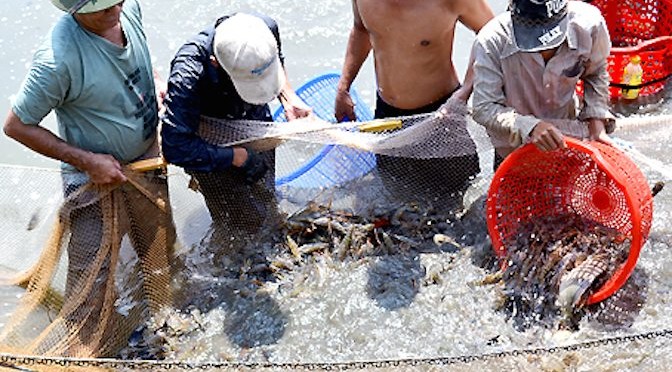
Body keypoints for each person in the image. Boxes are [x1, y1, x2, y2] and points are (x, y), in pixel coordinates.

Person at [3, 0, 176, 356]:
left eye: (117, 0)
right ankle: (90, 350)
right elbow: (16, 126)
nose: (115, 9)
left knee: (161, 252)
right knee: (89, 292)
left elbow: (137, 60)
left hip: (146, 161)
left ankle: (161, 324)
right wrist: (87, 161)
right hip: (94, 181)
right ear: (72, 9)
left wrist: (154, 82)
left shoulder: (128, 9)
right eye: (101, 6)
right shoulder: (57, 60)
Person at [161, 12, 311, 244]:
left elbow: (277, 59)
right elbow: (176, 147)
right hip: (211, 144)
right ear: (216, 63)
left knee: (267, 202)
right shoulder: (188, 72)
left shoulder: (263, 29)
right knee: (237, 226)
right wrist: (236, 157)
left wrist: (287, 96)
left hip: (255, 125)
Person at [334, 0, 495, 205]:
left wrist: (463, 94)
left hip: (442, 116)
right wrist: (343, 87)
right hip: (388, 119)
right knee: (397, 200)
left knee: (456, 201)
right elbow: (360, 29)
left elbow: (493, 37)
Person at [471, 0, 614, 170]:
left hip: (568, 140)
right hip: (513, 151)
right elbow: (483, 107)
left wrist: (596, 123)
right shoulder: (492, 41)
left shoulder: (589, 25)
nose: (543, 50)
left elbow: (596, 72)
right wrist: (529, 126)